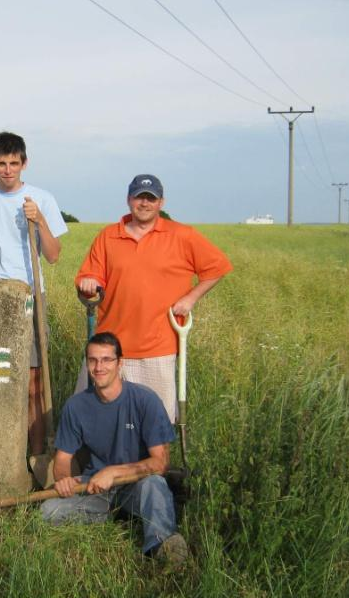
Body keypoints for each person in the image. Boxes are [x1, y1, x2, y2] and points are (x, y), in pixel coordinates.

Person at [75, 174, 232, 423]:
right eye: (139, 197)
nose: (144, 203)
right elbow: (90, 277)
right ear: (129, 200)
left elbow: (218, 267)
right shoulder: (108, 236)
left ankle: (156, 464)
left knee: (156, 424)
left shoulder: (182, 235)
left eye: (151, 198)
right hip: (108, 347)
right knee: (95, 419)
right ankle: (99, 462)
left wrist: (191, 298)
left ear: (161, 202)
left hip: (157, 348)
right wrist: (88, 285)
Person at [0, 132, 68, 459]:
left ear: (24, 163)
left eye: (13, 163)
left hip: (29, 298)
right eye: (1, 164)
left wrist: (40, 221)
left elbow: (53, 255)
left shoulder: (41, 198)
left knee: (33, 379)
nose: (7, 170)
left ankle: (35, 455)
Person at [41, 332, 188, 566]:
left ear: (120, 363)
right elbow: (62, 458)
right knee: (48, 511)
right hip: (94, 486)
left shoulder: (145, 400)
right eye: (93, 360)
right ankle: (119, 514)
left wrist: (113, 472)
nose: (99, 367)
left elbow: (160, 463)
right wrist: (63, 480)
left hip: (136, 484)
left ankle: (161, 547)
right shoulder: (76, 405)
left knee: (155, 484)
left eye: (107, 360)